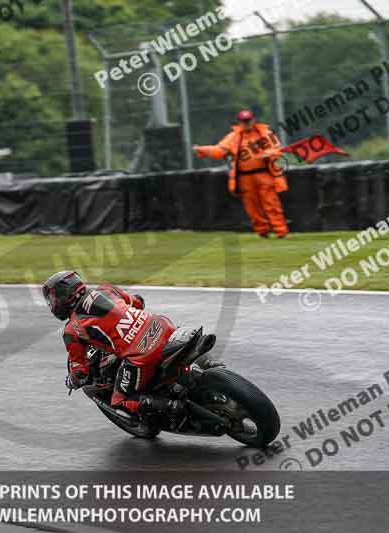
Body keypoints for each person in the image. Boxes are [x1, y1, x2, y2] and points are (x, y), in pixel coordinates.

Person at [42, 270, 222, 429]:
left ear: (63, 297)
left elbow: (80, 371)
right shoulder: (106, 289)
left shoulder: (72, 329)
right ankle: (210, 364)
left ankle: (175, 408)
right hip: (161, 325)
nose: (52, 303)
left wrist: (72, 381)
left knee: (120, 401)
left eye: (52, 299)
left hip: (141, 354)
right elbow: (138, 302)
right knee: (178, 336)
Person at [194, 109, 289, 238]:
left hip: (264, 174)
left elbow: (277, 149)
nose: (246, 124)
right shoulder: (233, 137)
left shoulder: (265, 134)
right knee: (252, 207)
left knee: (271, 203)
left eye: (248, 121)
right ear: (240, 123)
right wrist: (202, 149)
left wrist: (269, 154)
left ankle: (281, 231)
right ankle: (262, 232)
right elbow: (218, 151)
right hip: (244, 178)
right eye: (244, 121)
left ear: (253, 120)